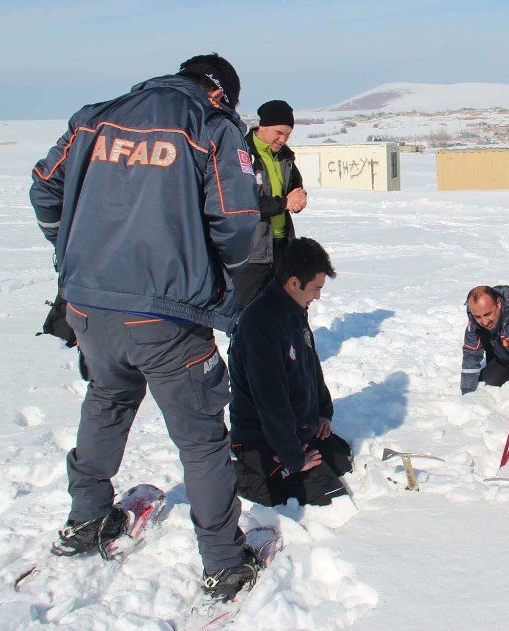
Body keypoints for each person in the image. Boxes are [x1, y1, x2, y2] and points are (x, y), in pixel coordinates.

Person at [29, 53, 261, 602]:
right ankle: (224, 563)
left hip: (89, 306)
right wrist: (207, 263)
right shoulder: (212, 126)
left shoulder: (96, 116)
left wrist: (76, 249)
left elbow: (45, 189)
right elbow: (237, 221)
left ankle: (85, 519)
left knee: (105, 403)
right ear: (220, 92)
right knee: (202, 441)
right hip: (166, 313)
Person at [229, 238, 353, 506]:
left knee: (343, 460)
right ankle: (235, 474)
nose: (318, 296)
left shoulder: (295, 310)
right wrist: (293, 458)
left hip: (295, 427)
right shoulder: (260, 325)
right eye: (316, 288)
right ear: (294, 282)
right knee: (330, 496)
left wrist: (322, 412)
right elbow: (269, 401)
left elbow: (310, 366)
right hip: (260, 437)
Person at [232, 99, 308, 309]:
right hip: (252, 250)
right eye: (279, 132)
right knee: (248, 311)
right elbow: (246, 202)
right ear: (262, 127)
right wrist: (285, 202)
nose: (283, 139)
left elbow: (296, 186)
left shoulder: (285, 157)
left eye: (288, 134)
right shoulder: (243, 154)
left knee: (285, 307)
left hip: (282, 245)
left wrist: (299, 199)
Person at [460, 285, 509, 402]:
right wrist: (466, 393)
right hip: (506, 360)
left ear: (498, 303)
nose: (484, 321)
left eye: (488, 314)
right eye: (478, 316)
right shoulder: (474, 319)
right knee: (486, 384)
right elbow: (471, 353)